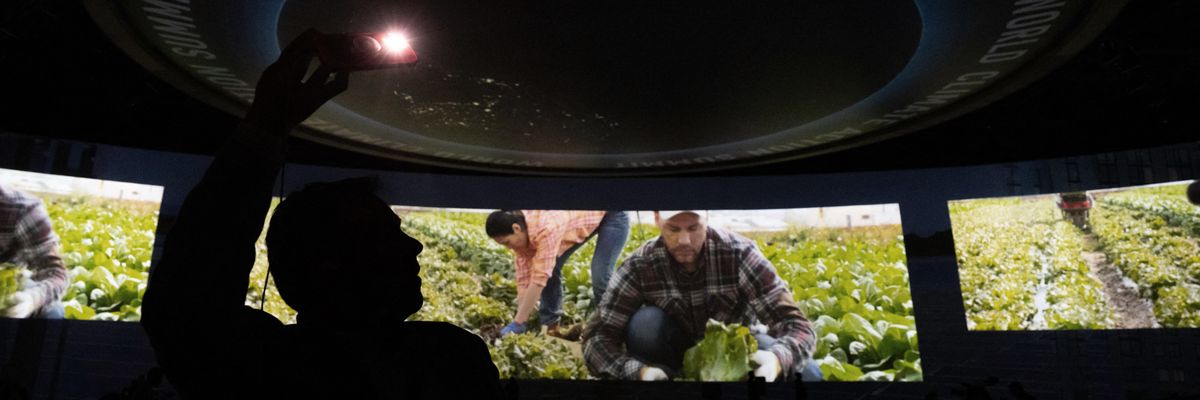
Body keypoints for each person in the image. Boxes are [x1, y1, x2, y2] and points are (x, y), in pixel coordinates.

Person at [140, 30, 502, 399]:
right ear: (328, 267)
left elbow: (183, 309)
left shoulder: (264, 372)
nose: (415, 246)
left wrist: (264, 130)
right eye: (385, 238)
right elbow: (183, 312)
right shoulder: (450, 358)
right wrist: (264, 130)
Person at [581, 210, 821, 382]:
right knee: (645, 323)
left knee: (809, 374)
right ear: (656, 220)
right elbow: (597, 339)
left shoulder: (739, 253)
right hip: (672, 349)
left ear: (706, 218)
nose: (684, 240)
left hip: (735, 352)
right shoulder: (640, 265)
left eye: (693, 228)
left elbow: (796, 325)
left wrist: (777, 360)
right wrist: (638, 372)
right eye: (673, 229)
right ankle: (666, 378)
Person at [486, 209, 630, 339]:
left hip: (612, 214)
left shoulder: (546, 228)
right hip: (584, 216)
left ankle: (615, 328)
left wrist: (518, 322)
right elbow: (524, 279)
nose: (508, 247)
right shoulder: (521, 237)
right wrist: (520, 317)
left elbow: (539, 278)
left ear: (516, 228)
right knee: (551, 268)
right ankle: (551, 327)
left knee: (600, 275)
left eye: (507, 242)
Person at [0, 184, 67, 319]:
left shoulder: (22, 209)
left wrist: (31, 301)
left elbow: (55, 273)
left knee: (53, 312)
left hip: (5, 285)